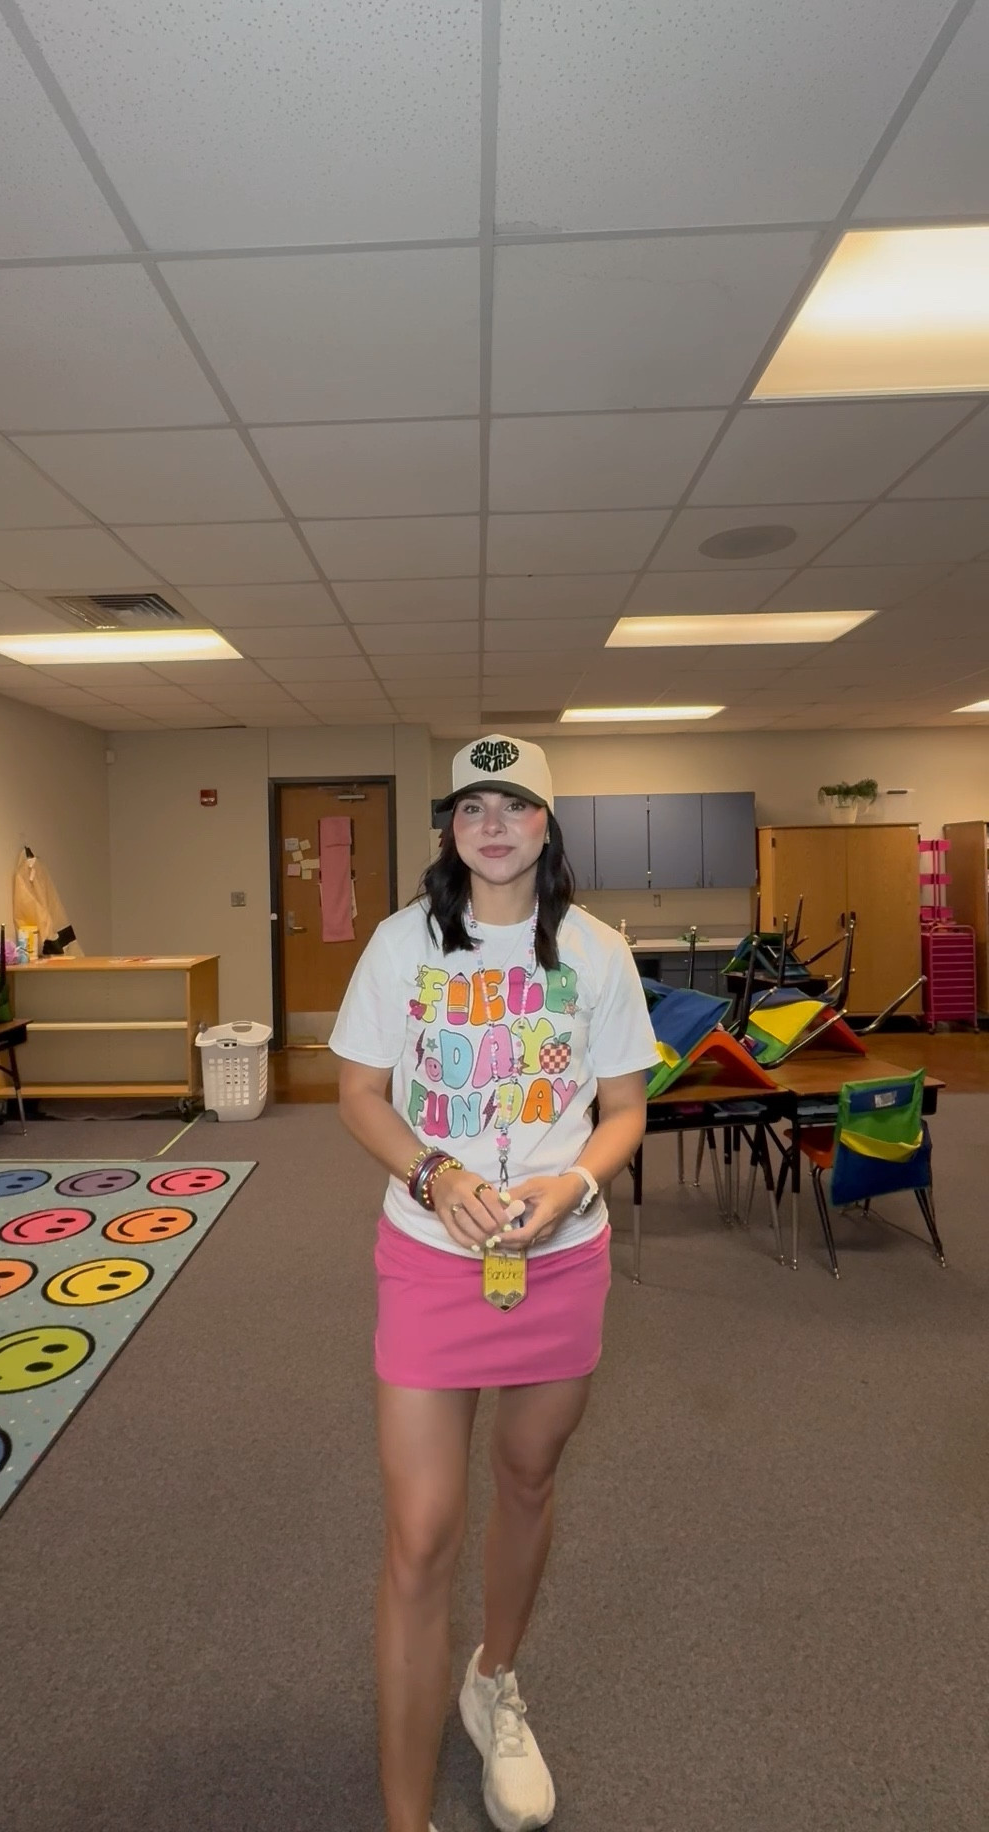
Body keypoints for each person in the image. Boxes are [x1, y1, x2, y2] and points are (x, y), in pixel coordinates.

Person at [331, 734, 657, 1832]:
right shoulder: (402, 944)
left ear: (547, 826)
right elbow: (360, 1094)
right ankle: (405, 1816)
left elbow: (625, 1111)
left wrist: (571, 1183)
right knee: (421, 1532)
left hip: (559, 1262)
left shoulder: (599, 954)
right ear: (452, 830)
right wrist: (435, 1168)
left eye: (517, 803)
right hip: (429, 1260)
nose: (496, 822)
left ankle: (493, 1679)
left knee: (527, 1479)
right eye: (474, 806)